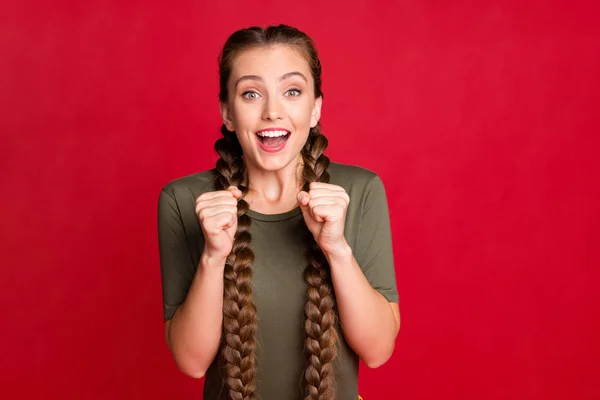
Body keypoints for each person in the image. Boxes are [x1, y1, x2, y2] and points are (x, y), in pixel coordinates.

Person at [157, 24, 400, 400]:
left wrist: (337, 251)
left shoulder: (359, 191)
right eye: (251, 94)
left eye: (292, 91)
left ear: (315, 107)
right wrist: (212, 256)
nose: (272, 112)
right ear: (227, 112)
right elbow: (191, 362)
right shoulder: (184, 199)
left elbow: (379, 350)